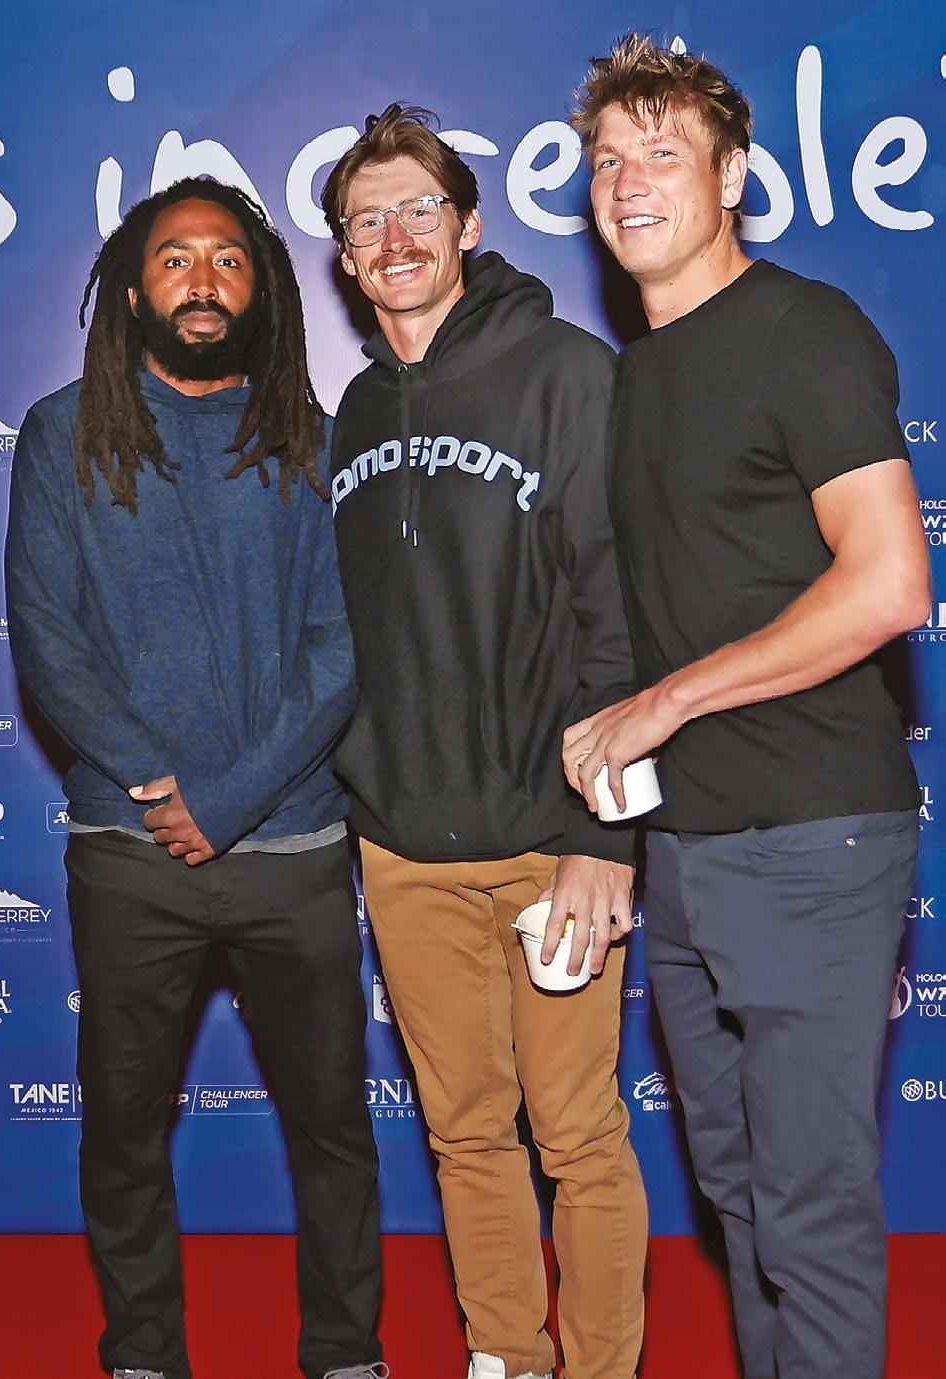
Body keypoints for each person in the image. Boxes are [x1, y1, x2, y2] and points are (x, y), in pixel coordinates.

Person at [564, 34, 929, 1379]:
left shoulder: (802, 330)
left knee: (808, 1214)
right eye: (608, 158)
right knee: (740, 1200)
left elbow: (888, 580)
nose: (628, 180)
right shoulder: (633, 374)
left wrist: (664, 701)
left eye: (662, 152)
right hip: (690, 846)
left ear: (730, 177)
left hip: (812, 836)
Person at [4, 177, 387, 1379]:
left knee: (332, 1126)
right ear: (133, 289)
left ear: (261, 289)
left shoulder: (315, 438)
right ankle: (143, 1353)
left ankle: (344, 1351)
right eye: (175, 258)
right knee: (123, 1130)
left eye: (228, 258)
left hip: (294, 850)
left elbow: (341, 646)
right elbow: (47, 639)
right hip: (131, 856)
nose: (204, 280)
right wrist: (150, 779)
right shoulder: (63, 433)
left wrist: (223, 801)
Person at [321, 106, 648, 1379]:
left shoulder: (565, 373)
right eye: (367, 219)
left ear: (465, 225)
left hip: (550, 840)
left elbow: (619, 616)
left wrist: (602, 834)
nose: (395, 236)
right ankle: (505, 1355)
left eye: (419, 209)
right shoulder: (354, 411)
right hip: (403, 847)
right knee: (465, 1134)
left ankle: (602, 1368)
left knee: (576, 1135)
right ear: (344, 254)